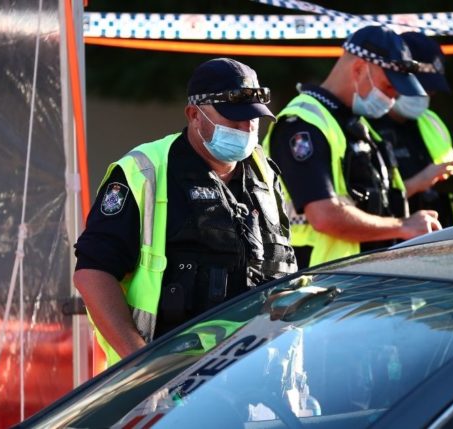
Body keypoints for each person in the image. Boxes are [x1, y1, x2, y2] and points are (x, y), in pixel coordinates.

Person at [73, 58, 297, 366]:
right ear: (194, 115)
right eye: (235, 119)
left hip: (263, 371)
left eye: (254, 120)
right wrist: (141, 365)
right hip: (174, 379)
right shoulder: (145, 171)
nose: (247, 129)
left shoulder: (264, 172)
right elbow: (92, 273)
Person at [264, 25, 452, 268]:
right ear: (359, 68)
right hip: (316, 285)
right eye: (388, 87)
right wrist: (403, 226)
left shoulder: (356, 124)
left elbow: (381, 201)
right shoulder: (303, 125)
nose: (393, 99)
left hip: (359, 282)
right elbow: (324, 216)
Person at [371, 31, 453, 228]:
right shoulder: (364, 126)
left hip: (449, 247)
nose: (426, 94)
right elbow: (361, 204)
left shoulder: (434, 123)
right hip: (395, 251)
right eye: (421, 86)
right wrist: (417, 183)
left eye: (431, 89)